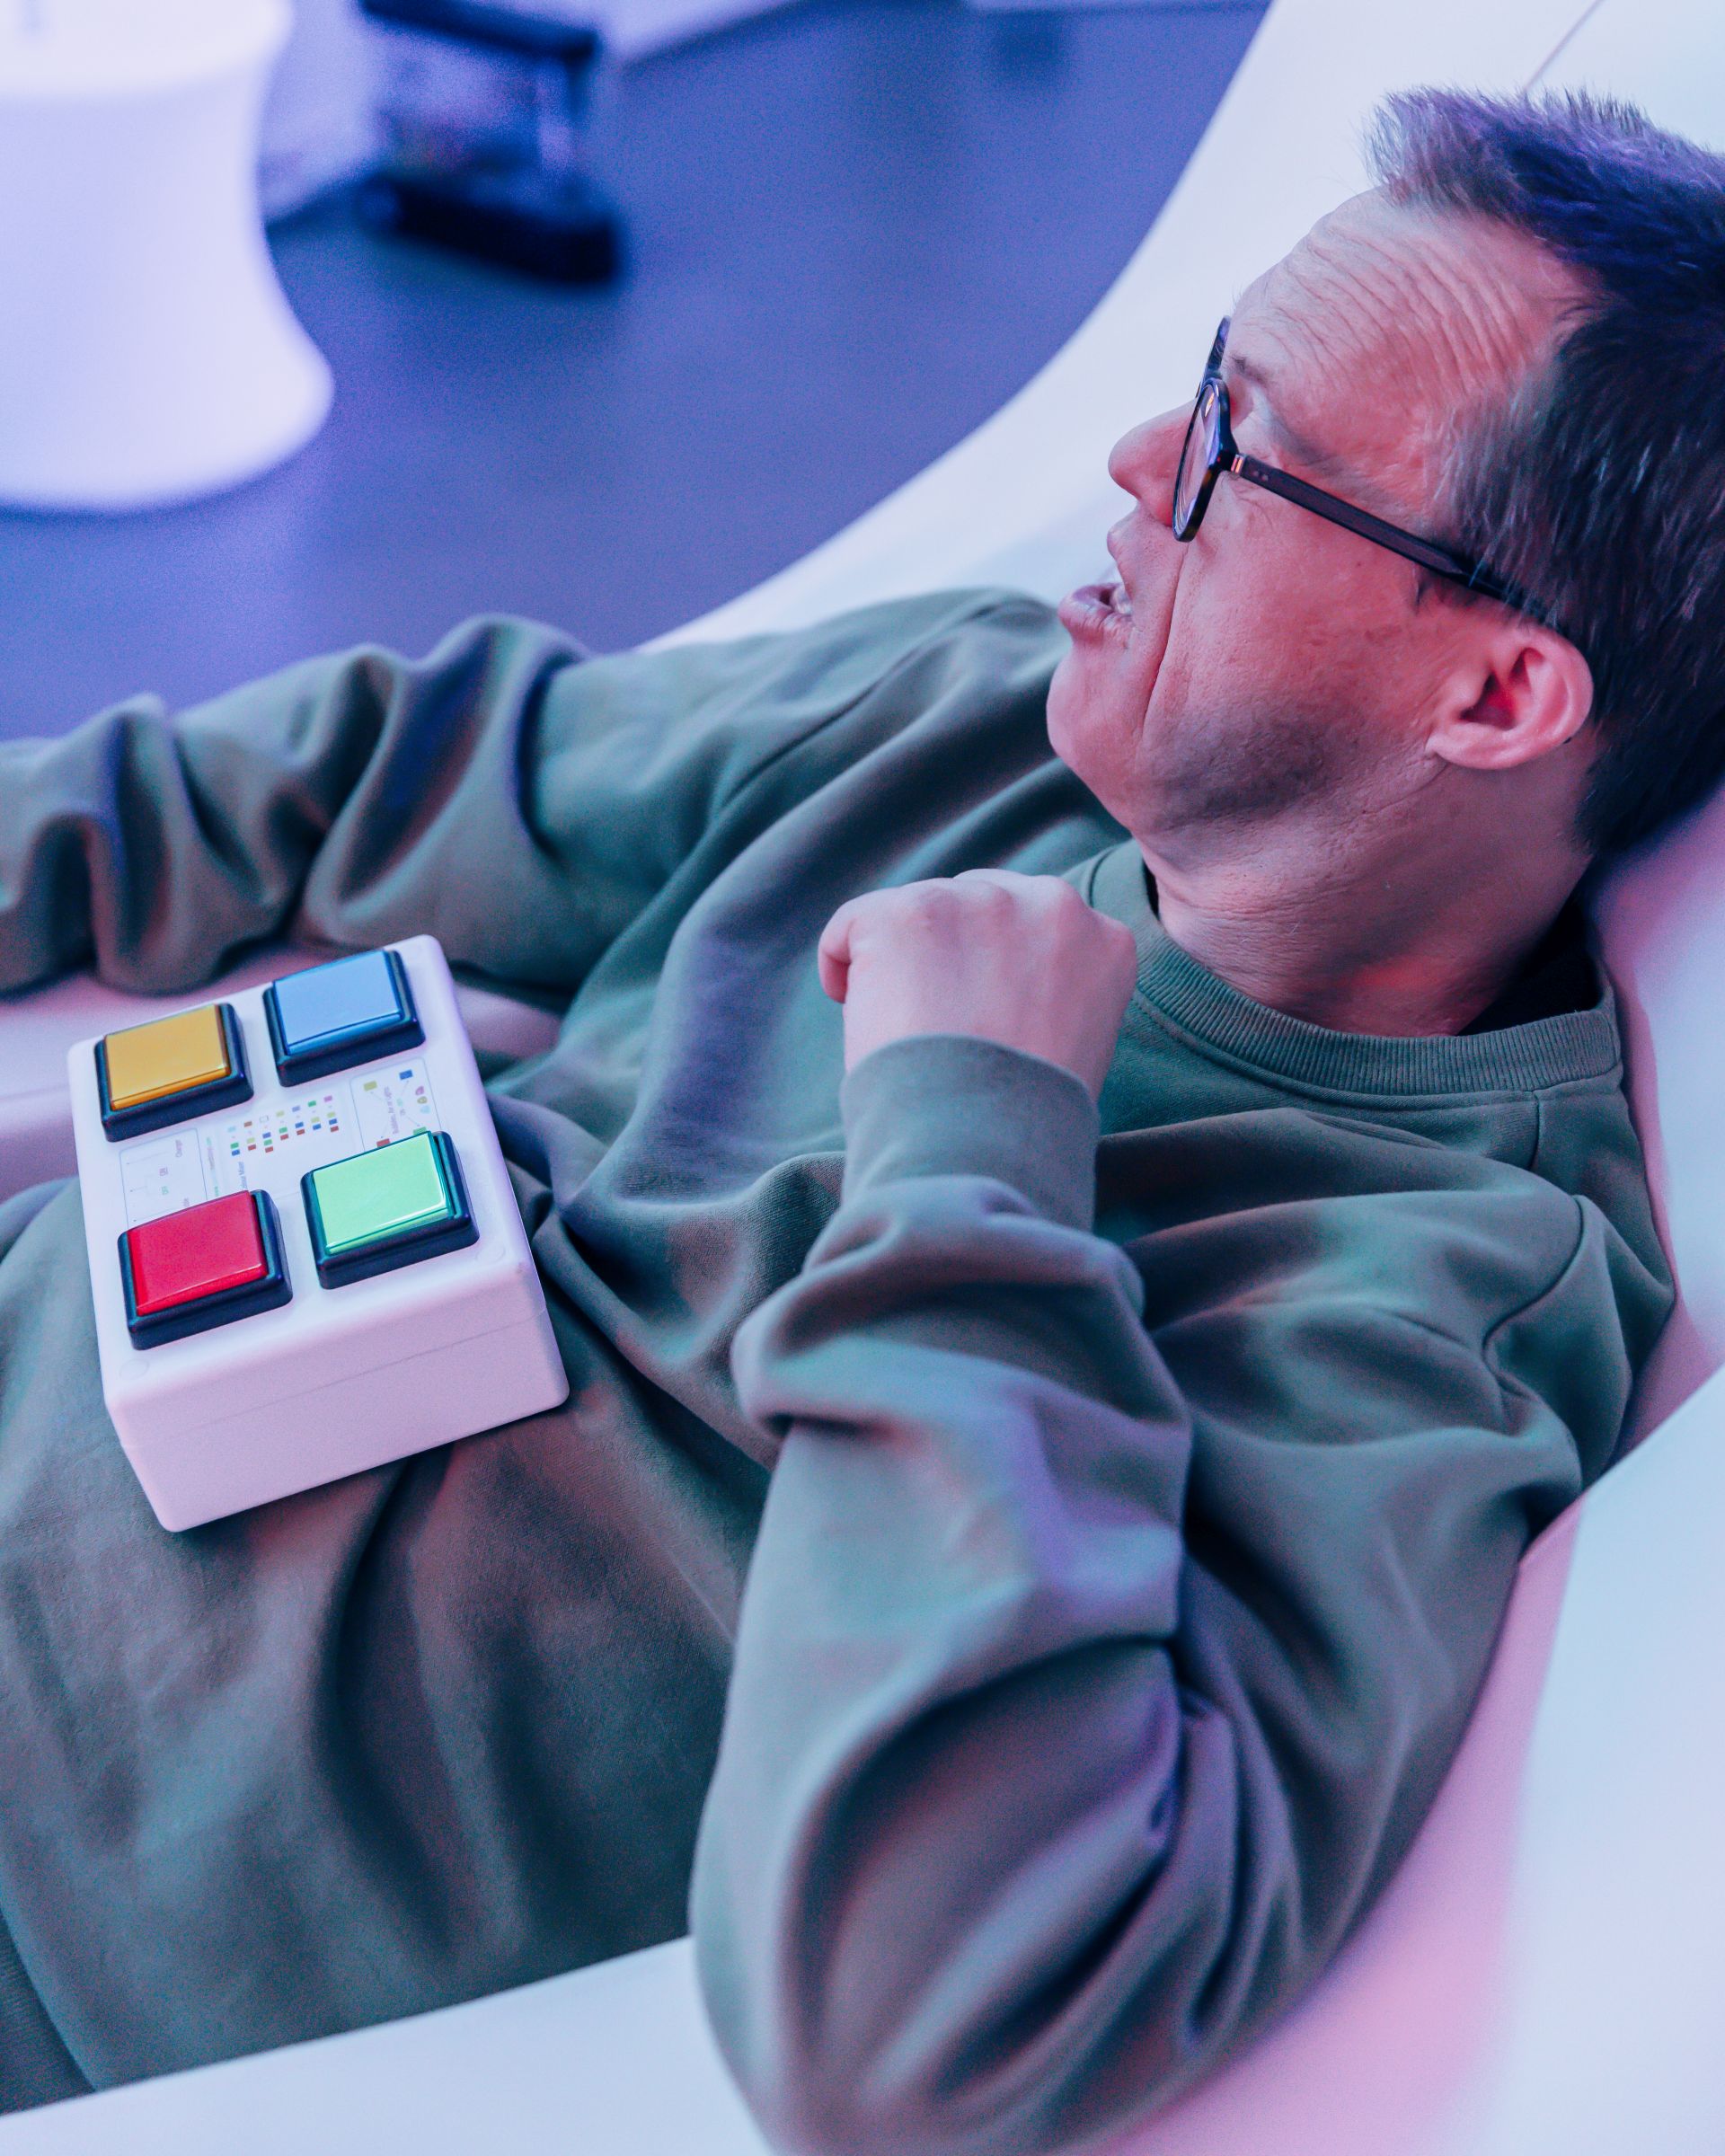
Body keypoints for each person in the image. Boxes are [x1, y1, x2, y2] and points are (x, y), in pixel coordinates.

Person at [0, 83, 1718, 2153]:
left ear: (1497, 699)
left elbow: (920, 2019)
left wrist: (975, 1133)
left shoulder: (1430, 1293)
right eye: (1198, 378)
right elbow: (376, 770)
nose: (1139, 460)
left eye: (1239, 449)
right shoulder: (973, 711)